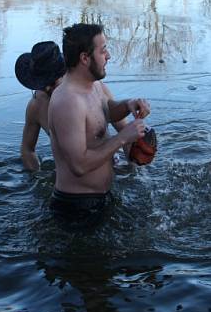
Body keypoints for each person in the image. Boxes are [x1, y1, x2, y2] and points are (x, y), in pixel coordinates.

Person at [48, 24, 149, 227]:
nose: (109, 56)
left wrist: (127, 105)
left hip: (100, 198)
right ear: (85, 58)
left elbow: (103, 112)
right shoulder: (68, 101)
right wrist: (122, 138)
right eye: (103, 50)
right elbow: (79, 165)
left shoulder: (95, 85)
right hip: (76, 208)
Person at [15, 42, 67, 171]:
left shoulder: (90, 90)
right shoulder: (37, 105)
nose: (47, 87)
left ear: (65, 73)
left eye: (51, 81)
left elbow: (123, 132)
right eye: (41, 83)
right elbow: (27, 150)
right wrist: (37, 177)